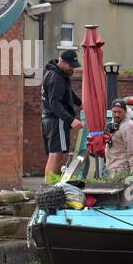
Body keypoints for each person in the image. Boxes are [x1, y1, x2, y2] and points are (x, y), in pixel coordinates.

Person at [41, 49, 83, 184]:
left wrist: (80, 103)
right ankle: (50, 187)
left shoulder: (55, 73)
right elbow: (55, 103)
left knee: (57, 153)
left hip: (49, 119)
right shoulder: (56, 77)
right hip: (56, 119)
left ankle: (52, 184)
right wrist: (71, 120)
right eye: (71, 66)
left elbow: (68, 91)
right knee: (56, 154)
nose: (73, 69)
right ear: (62, 62)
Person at [104, 98, 133, 179]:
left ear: (125, 112)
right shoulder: (113, 125)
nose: (117, 115)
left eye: (120, 112)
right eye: (114, 112)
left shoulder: (130, 126)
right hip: (111, 170)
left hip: (123, 172)